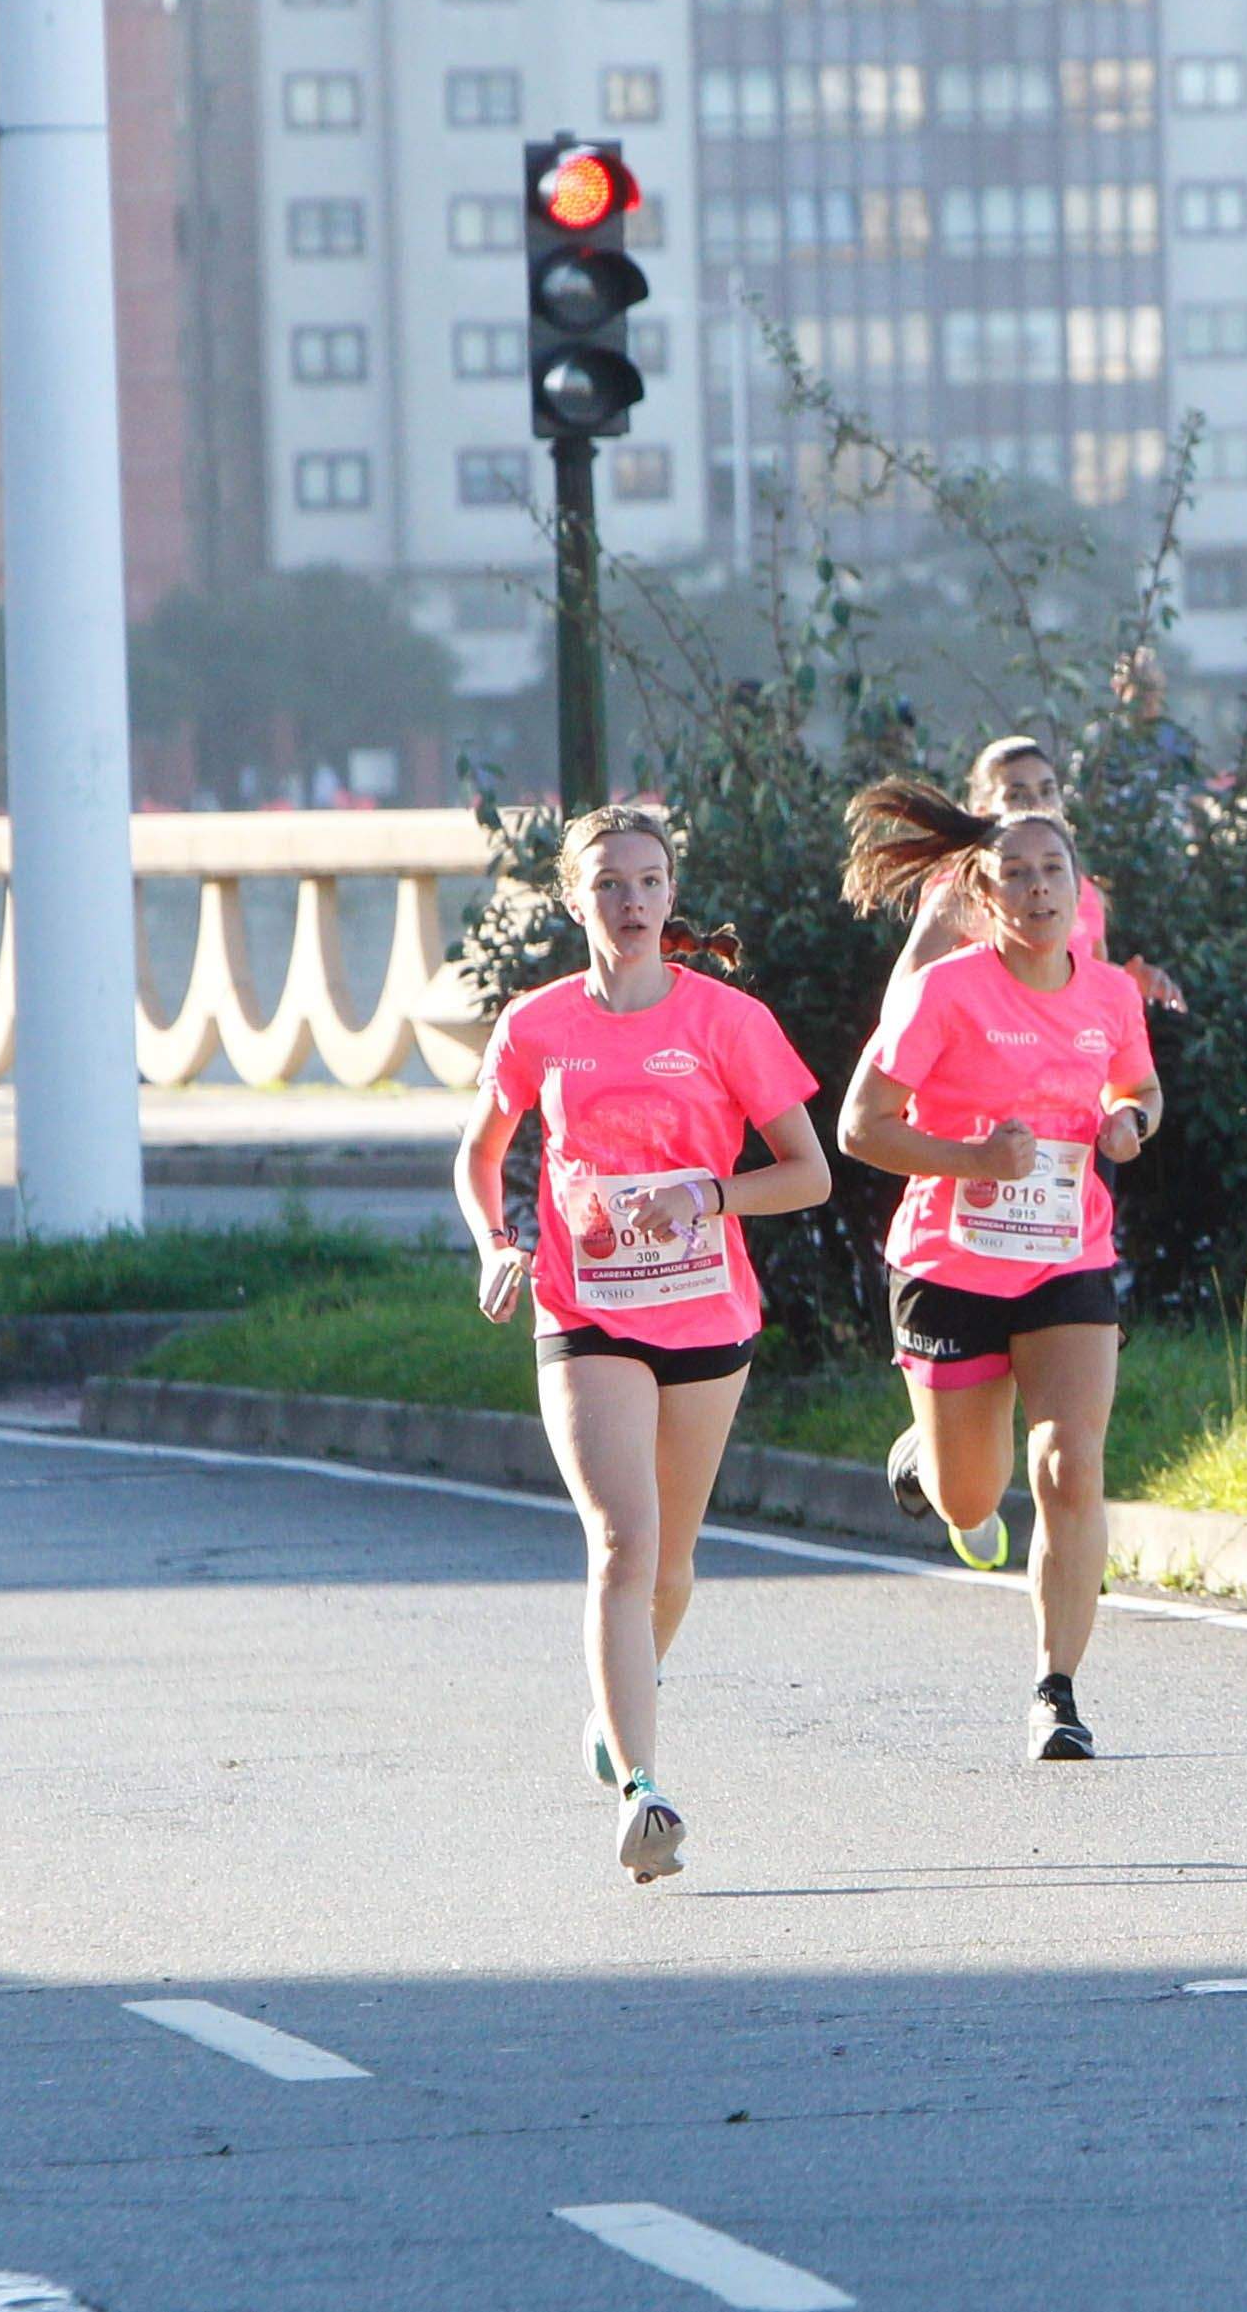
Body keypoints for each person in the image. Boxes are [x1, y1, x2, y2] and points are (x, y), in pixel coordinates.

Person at [454, 804, 833, 1884]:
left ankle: (616, 1711)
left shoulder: (728, 1021)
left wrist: (711, 1192)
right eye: (609, 884)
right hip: (585, 1312)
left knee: (672, 1561)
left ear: (672, 898)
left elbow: (807, 1171)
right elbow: (479, 1156)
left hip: (708, 1311)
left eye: (649, 881)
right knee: (623, 1540)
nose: (630, 902)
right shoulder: (537, 1024)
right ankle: (643, 1789)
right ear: (575, 900)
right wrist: (495, 1240)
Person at [839, 780, 1161, 1762]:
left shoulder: (1108, 991)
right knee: (971, 1499)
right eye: (1012, 873)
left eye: (1050, 869)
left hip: (1068, 1258)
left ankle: (1055, 1689)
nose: (1034, 887)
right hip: (951, 1263)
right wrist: (975, 1160)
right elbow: (860, 1126)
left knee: (1068, 1465)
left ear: (1077, 885)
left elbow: (1139, 1086)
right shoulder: (947, 990)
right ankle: (926, 1462)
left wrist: (1129, 1123)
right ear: (983, 896)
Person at [890, 734, 1187, 1014]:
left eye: (1047, 791)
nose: (1037, 805)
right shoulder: (961, 892)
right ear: (982, 811)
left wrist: (1126, 981)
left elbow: (1087, 999)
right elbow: (902, 1000)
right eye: (1017, 795)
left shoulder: (1085, 894)